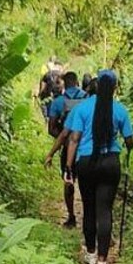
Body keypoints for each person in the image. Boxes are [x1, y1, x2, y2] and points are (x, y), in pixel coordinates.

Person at [65, 69, 133, 264]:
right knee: (105, 210)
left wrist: (69, 166)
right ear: (114, 87)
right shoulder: (120, 110)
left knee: (89, 207)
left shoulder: (82, 108)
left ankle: (91, 254)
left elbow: (74, 138)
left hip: (86, 162)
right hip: (110, 163)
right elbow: (130, 140)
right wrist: (130, 143)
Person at [45, 72, 88, 228]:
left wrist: (64, 142)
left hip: (67, 147)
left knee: (68, 180)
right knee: (87, 183)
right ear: (77, 82)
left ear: (64, 83)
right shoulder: (87, 98)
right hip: (85, 148)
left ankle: (71, 217)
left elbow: (51, 129)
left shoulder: (58, 102)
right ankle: (89, 216)